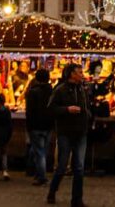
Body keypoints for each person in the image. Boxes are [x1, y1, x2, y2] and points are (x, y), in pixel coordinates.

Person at [47, 62, 91, 206]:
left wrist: (88, 117)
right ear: (72, 74)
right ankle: (52, 191)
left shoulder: (83, 89)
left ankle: (77, 199)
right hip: (65, 132)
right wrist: (67, 110)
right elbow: (51, 109)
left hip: (81, 132)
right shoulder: (60, 90)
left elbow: (86, 108)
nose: (82, 75)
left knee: (79, 167)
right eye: (80, 72)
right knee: (62, 166)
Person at [25, 68, 54, 187]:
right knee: (43, 151)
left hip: (36, 126)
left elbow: (30, 111)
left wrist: (29, 126)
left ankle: (41, 177)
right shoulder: (52, 91)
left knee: (39, 152)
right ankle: (38, 173)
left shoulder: (33, 92)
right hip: (48, 126)